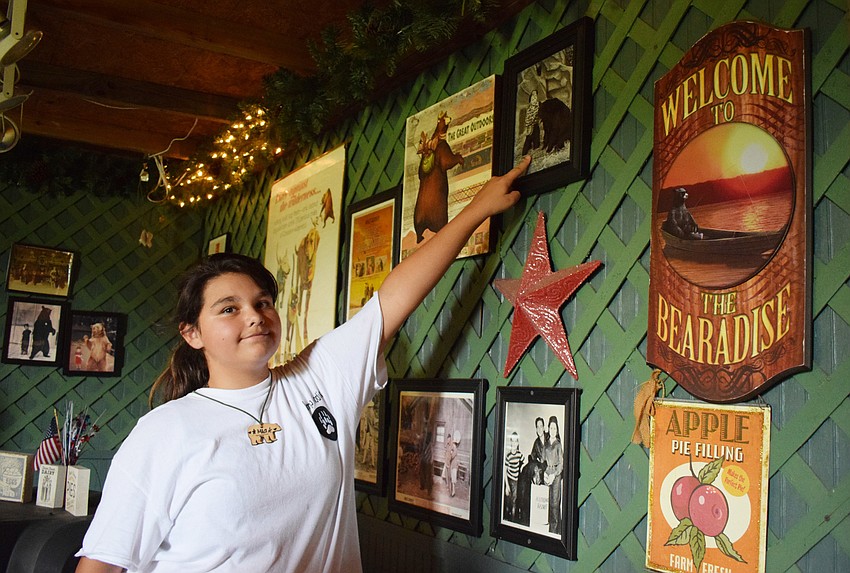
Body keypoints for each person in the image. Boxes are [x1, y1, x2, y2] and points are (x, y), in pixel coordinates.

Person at [75, 155, 531, 573]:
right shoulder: (164, 432)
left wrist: (476, 210)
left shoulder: (318, 379)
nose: (255, 316)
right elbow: (102, 566)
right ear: (192, 334)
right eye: (229, 308)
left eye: (263, 302)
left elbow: (394, 297)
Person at [543, 415, 563, 535]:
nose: (553, 430)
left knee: (555, 504)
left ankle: (554, 532)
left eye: (555, 428)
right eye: (551, 428)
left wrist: (554, 475)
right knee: (547, 503)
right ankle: (548, 531)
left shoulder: (558, 445)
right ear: (548, 429)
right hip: (547, 475)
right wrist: (545, 473)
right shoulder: (546, 445)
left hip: (555, 476)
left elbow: (561, 464)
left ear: (557, 430)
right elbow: (543, 462)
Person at [503, 431, 522, 521]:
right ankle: (506, 518)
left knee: (514, 501)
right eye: (512, 441)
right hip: (509, 480)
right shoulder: (508, 456)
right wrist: (507, 486)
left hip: (516, 481)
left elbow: (523, 463)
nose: (514, 443)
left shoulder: (519, 454)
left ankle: (512, 520)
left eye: (516, 441)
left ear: (517, 443)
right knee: (508, 501)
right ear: (510, 442)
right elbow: (505, 471)